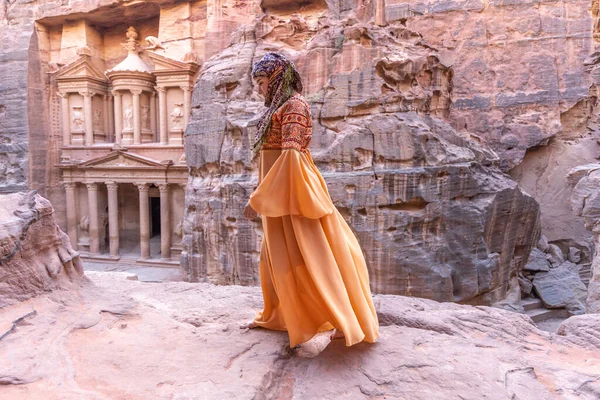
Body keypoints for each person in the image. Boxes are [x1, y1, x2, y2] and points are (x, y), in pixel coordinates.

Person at [243, 52, 379, 356]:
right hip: (279, 186)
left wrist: (258, 198)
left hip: (295, 189)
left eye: (263, 82)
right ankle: (283, 316)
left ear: (276, 78)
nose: (260, 89)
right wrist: (263, 189)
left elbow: (291, 157)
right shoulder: (281, 106)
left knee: (314, 253)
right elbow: (275, 157)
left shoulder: (295, 105)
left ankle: (344, 320)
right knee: (278, 256)